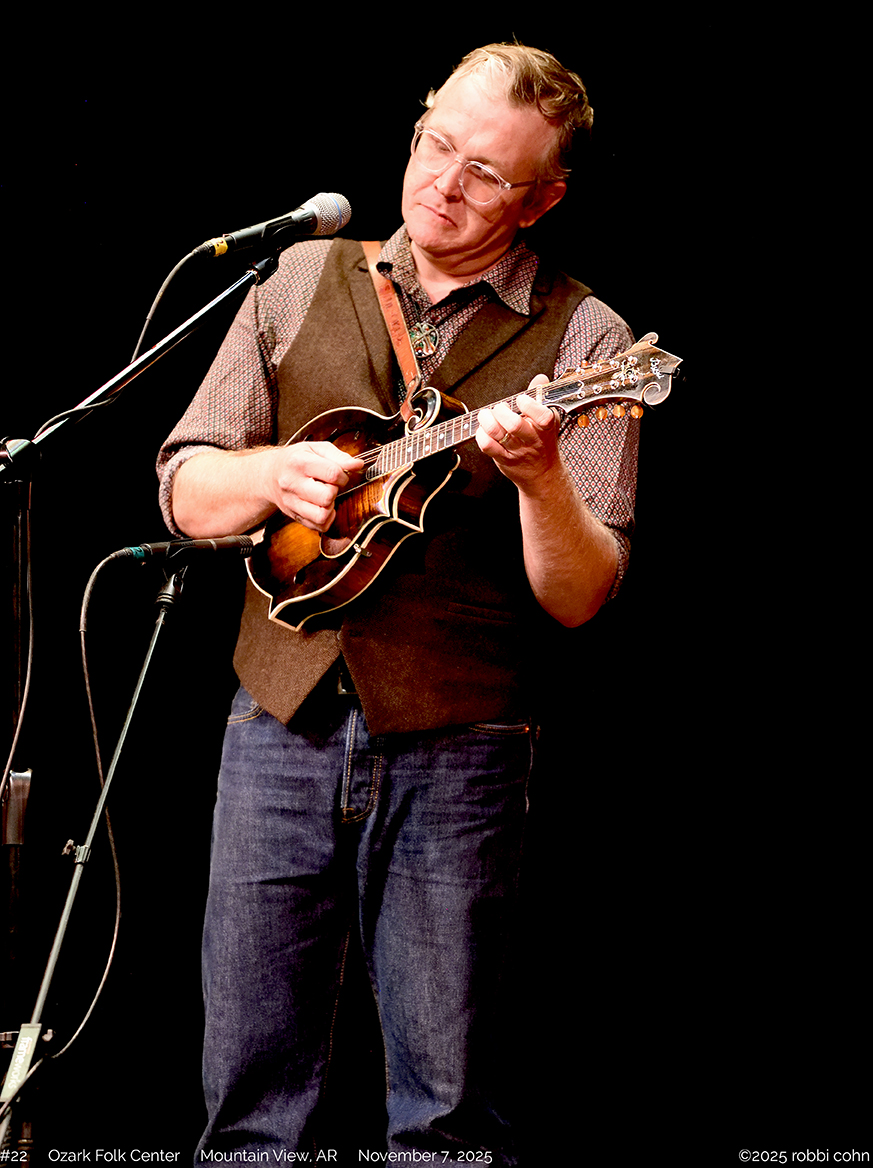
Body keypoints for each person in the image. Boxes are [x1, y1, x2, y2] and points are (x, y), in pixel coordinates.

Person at [157, 42, 638, 1164]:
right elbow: (185, 486)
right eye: (436, 144)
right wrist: (270, 474)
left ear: (542, 200)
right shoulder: (297, 277)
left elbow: (582, 595)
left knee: (445, 1118)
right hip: (275, 722)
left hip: (462, 746)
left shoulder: (591, 341)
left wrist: (538, 478)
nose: (442, 184)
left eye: (487, 173)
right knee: (247, 1111)